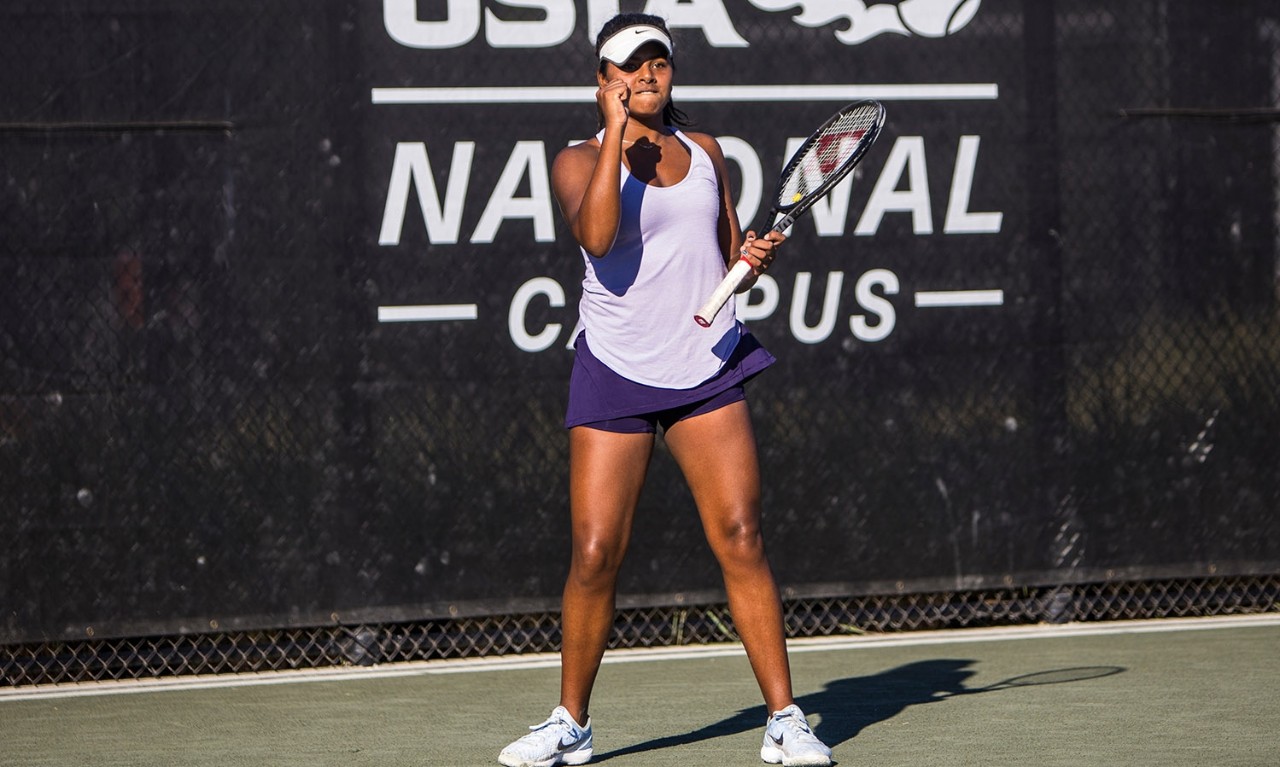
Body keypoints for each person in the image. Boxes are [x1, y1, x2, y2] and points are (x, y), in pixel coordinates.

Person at [498, 13, 833, 767]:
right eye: (629, 66)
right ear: (602, 80)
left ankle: (784, 718)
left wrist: (752, 259)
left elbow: (725, 257)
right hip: (614, 367)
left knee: (742, 534)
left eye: (659, 63)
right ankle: (571, 723)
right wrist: (616, 134)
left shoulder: (707, 151)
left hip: (706, 367)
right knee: (593, 552)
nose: (647, 76)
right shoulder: (577, 159)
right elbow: (597, 236)